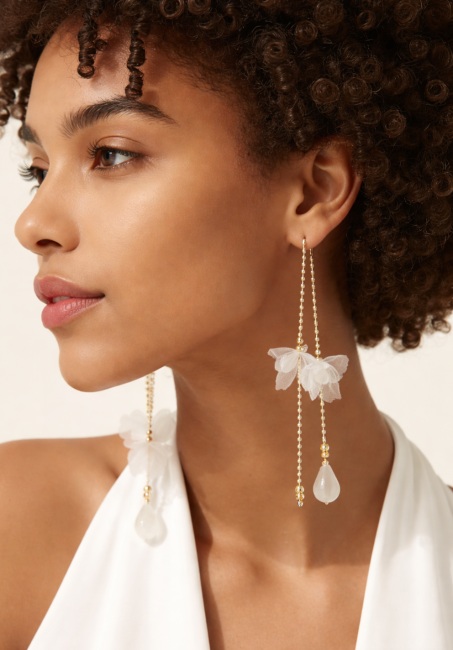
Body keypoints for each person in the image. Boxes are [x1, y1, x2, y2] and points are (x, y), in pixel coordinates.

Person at [0, 1, 453, 648]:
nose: (33, 224)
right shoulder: (21, 531)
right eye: (38, 170)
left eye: (112, 154)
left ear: (314, 192)